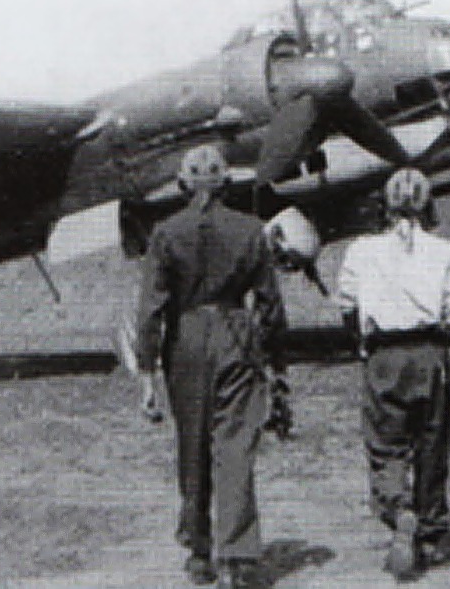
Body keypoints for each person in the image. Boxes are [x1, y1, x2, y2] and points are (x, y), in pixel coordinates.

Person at [134, 144, 287, 588]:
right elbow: (271, 304)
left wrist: (146, 374)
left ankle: (199, 550)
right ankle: (238, 556)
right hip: (237, 335)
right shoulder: (251, 230)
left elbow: (150, 310)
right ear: (226, 181)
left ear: (183, 184)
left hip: (185, 340)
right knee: (235, 444)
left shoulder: (166, 233)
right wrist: (277, 362)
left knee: (193, 442)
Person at [334, 168, 450, 580]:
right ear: (428, 206)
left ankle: (399, 508)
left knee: (385, 442)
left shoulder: (361, 250)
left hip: (385, 354)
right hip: (431, 355)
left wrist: (360, 341)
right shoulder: (445, 250)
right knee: (433, 441)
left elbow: (347, 303)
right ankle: (430, 530)